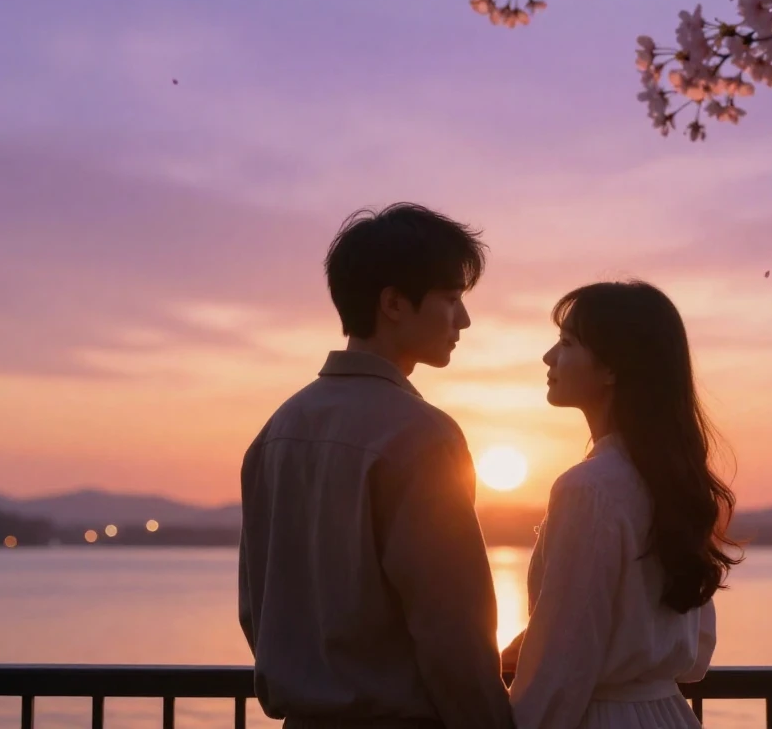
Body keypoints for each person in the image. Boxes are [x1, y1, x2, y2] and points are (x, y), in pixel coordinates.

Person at [238, 203, 514, 729]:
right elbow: (450, 630)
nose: (464, 320)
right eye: (452, 299)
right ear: (393, 303)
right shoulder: (421, 435)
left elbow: (257, 609)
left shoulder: (276, 432)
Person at [505, 280, 740, 729]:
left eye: (566, 343)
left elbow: (564, 665)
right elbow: (696, 658)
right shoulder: (674, 483)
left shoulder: (589, 488)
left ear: (612, 369)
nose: (549, 358)